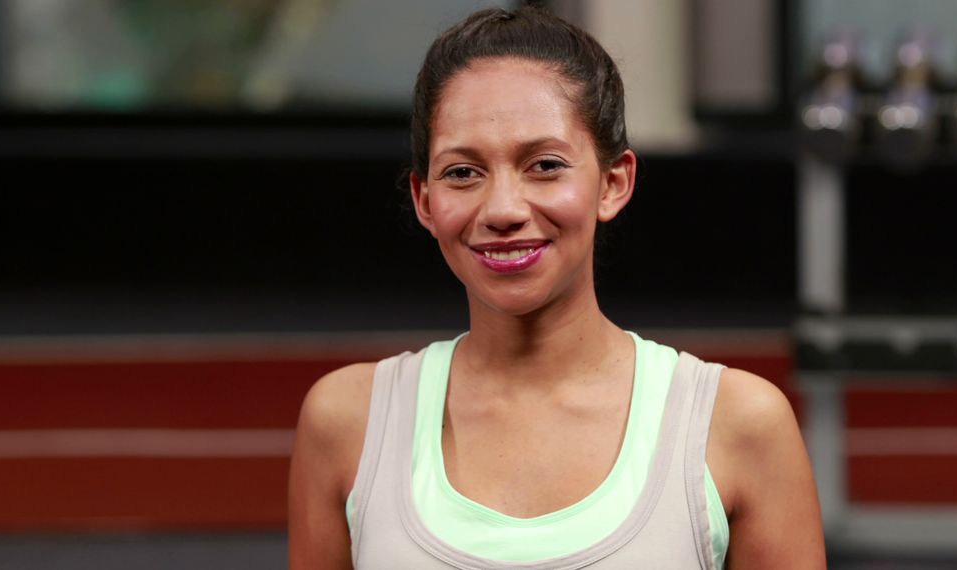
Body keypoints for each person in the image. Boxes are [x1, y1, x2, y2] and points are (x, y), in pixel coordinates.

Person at [289, 6, 825, 569]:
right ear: (424, 200)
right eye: (463, 172)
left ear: (613, 183)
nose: (502, 210)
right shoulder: (349, 422)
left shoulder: (734, 425)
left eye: (544, 165)